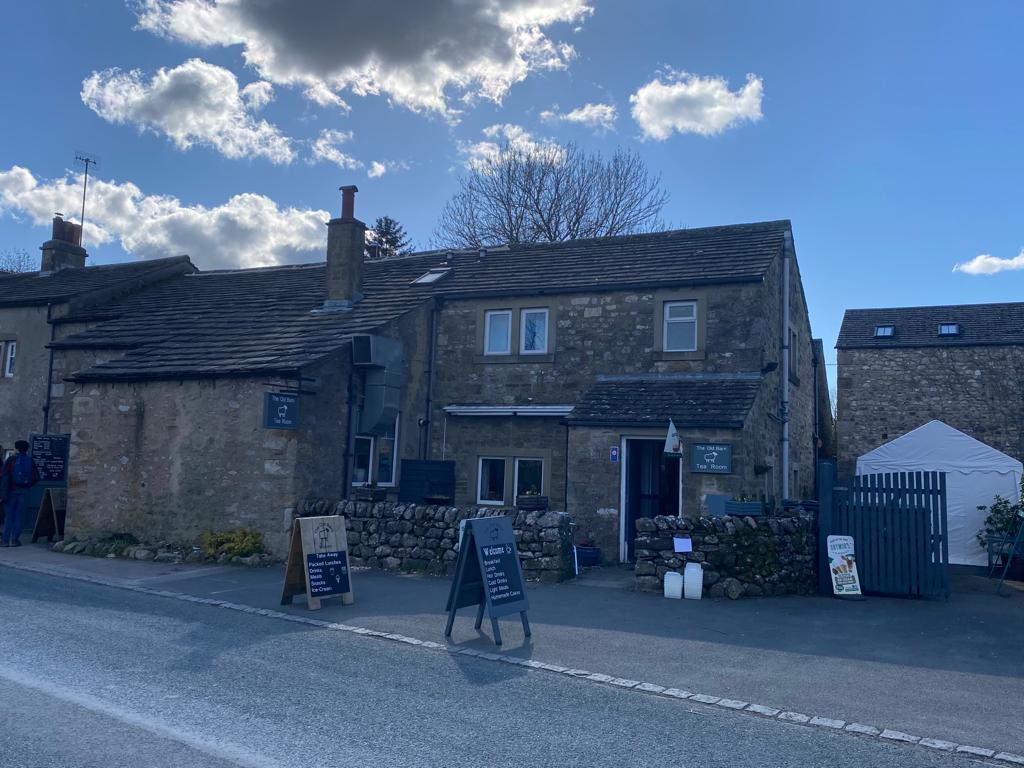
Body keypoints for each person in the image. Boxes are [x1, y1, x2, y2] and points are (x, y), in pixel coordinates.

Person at [2, 440, 39, 547]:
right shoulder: (30, 460)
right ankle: (14, 540)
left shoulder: (11, 460)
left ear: (16, 448)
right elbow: (36, 477)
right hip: (24, 491)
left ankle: (5, 540)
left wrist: (3, 493)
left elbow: (4, 477)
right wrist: (27, 485)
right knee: (19, 516)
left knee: (9, 516)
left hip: (11, 491)